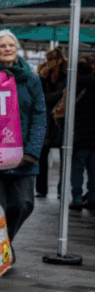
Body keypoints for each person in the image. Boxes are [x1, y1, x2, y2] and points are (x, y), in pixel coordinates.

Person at [0, 31, 46, 243]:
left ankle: (2, 244)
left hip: (23, 156)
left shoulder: (31, 78)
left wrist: (32, 152)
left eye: (11, 45)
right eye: (2, 46)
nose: (8, 49)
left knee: (23, 204)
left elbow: (39, 115)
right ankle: (1, 250)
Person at [36, 47, 67, 197]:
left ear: (59, 60)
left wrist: (50, 97)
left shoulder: (67, 75)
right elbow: (39, 96)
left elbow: (62, 95)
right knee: (42, 155)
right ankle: (41, 189)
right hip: (46, 119)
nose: (48, 62)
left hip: (62, 119)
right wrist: (42, 78)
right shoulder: (43, 76)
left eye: (51, 59)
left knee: (64, 156)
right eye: (47, 59)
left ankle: (62, 190)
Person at [65, 61, 95, 210]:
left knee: (77, 169)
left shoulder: (75, 87)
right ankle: (92, 198)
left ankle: (76, 198)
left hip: (79, 135)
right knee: (93, 170)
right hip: (93, 137)